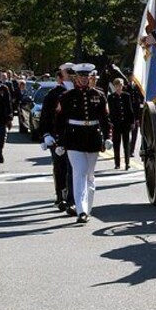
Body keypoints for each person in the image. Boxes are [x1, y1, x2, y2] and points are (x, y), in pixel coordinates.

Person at [55, 63, 111, 223]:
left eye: (87, 76)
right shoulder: (67, 96)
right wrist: (59, 142)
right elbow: (59, 120)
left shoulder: (99, 95)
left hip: (93, 137)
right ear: (76, 78)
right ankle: (81, 210)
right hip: (74, 138)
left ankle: (88, 207)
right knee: (79, 171)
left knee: (90, 175)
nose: (85, 79)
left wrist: (107, 137)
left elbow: (105, 119)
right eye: (81, 77)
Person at [40, 64, 76, 214]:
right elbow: (46, 116)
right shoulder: (53, 94)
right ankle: (60, 194)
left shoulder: (77, 92)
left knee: (73, 168)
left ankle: (71, 200)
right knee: (60, 166)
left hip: (74, 136)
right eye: (68, 73)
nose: (72, 75)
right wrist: (46, 134)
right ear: (60, 77)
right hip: (57, 136)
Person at [108, 77, 134, 170]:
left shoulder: (126, 95)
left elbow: (130, 110)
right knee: (116, 144)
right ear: (114, 86)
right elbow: (110, 111)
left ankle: (127, 163)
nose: (119, 87)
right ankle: (117, 163)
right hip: (116, 124)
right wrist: (110, 122)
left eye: (120, 85)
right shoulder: (111, 97)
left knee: (126, 144)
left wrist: (132, 122)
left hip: (126, 123)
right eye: (117, 85)